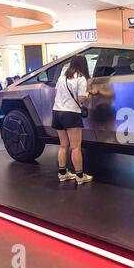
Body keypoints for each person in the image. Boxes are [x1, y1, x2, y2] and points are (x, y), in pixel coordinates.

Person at [52, 55, 92, 185]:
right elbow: (81, 98)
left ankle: (63, 174)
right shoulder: (81, 78)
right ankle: (80, 176)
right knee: (76, 147)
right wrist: (88, 94)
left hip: (57, 112)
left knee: (63, 145)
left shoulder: (62, 76)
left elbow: (56, 91)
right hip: (71, 113)